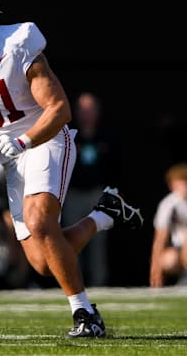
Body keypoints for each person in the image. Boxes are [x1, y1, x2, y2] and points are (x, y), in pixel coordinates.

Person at [0, 0, 143, 338]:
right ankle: (106, 213)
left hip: (44, 138)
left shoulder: (18, 43)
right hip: (7, 154)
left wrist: (25, 140)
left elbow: (59, 109)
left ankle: (85, 314)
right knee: (43, 262)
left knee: (42, 226)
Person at [61, 92, 121, 287]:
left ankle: (98, 282)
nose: (86, 113)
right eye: (82, 109)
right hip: (73, 196)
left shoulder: (107, 137)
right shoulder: (69, 136)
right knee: (71, 239)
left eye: (90, 109)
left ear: (97, 112)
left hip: (97, 196)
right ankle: (74, 284)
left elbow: (115, 168)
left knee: (98, 241)